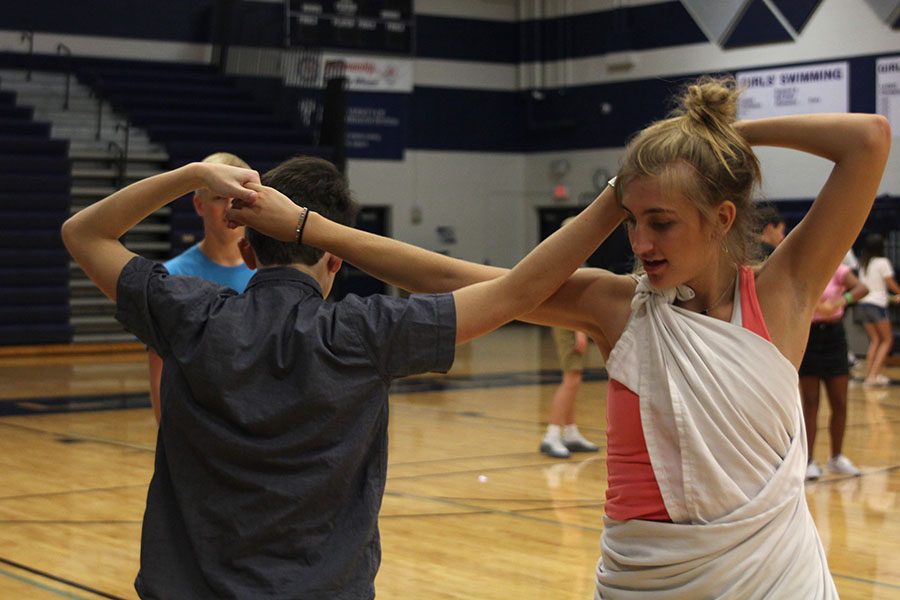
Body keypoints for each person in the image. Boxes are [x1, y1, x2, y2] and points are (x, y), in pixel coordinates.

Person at [229, 78, 891, 597]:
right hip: (645, 585)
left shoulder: (782, 293)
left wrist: (715, 135)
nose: (640, 243)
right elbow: (441, 274)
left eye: (660, 223)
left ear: (721, 218)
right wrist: (308, 226)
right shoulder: (615, 306)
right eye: (632, 221)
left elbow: (868, 138)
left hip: (777, 583)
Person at [61, 155, 618, 598]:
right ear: (335, 259)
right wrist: (617, 196)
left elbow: (84, 234)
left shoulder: (190, 315)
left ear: (247, 250)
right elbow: (522, 290)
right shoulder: (369, 331)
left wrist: (194, 175)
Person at [147, 152, 255, 424]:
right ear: (199, 205)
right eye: (219, 197)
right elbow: (160, 374)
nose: (230, 206)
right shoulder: (172, 276)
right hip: (199, 428)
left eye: (238, 199)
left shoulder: (271, 273)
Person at [799, 264, 868, 480]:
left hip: (834, 337)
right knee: (810, 403)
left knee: (839, 401)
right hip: (809, 336)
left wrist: (840, 301)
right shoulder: (806, 267)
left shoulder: (839, 269)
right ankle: (808, 460)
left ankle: (836, 457)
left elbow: (861, 289)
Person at [541, 325, 600, 458]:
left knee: (573, 379)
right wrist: (579, 330)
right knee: (572, 379)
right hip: (569, 323)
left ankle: (570, 434)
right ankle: (551, 436)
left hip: (569, 323)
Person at [856, 233, 900, 386]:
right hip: (876, 306)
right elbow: (890, 284)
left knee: (875, 340)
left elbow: (872, 288)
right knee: (887, 340)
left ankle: (870, 375)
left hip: (863, 304)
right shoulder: (883, 262)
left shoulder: (863, 263)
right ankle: (873, 375)